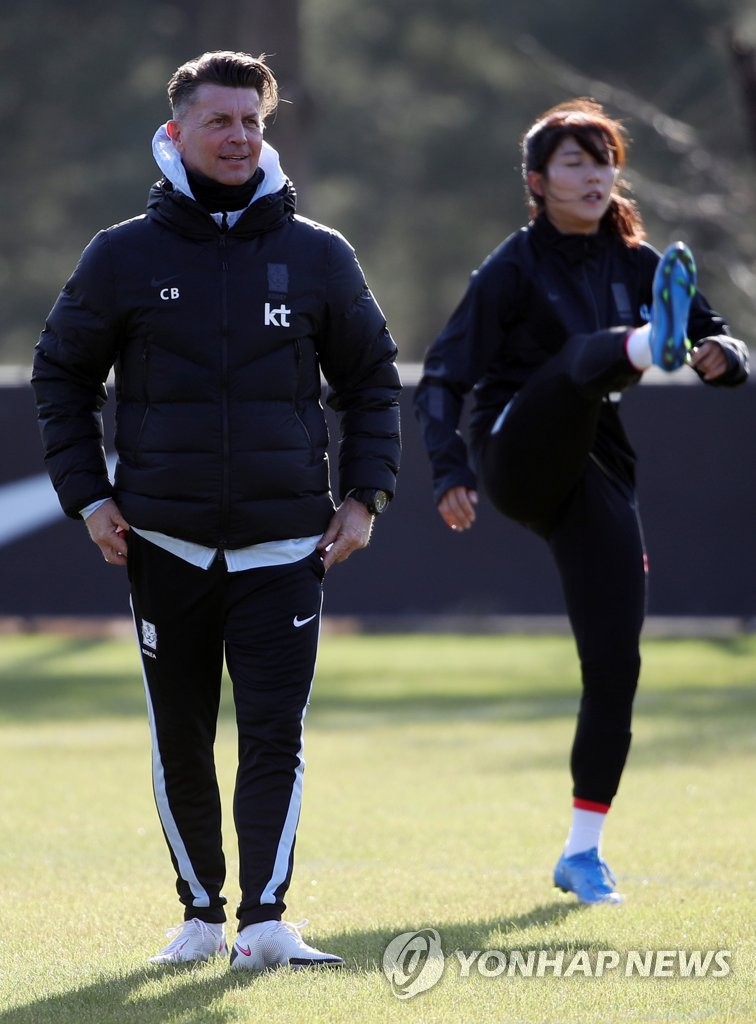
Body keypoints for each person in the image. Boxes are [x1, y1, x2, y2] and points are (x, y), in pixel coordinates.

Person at [32, 50, 400, 969]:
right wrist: (89, 496)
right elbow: (61, 376)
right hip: (164, 543)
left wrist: (365, 495)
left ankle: (268, 922)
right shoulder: (121, 255)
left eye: (253, 122)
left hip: (287, 548)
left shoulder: (319, 252)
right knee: (181, 740)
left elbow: (371, 382)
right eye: (220, 121)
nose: (239, 138)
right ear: (177, 132)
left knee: (275, 736)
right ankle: (200, 920)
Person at [413, 98, 749, 905]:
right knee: (574, 364)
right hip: (513, 449)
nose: (594, 173)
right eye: (574, 161)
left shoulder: (638, 264)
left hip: (592, 469)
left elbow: (733, 349)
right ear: (537, 181)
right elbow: (444, 376)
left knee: (616, 664)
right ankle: (642, 346)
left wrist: (717, 354)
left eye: (603, 159)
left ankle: (583, 852)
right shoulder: (509, 269)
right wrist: (447, 470)